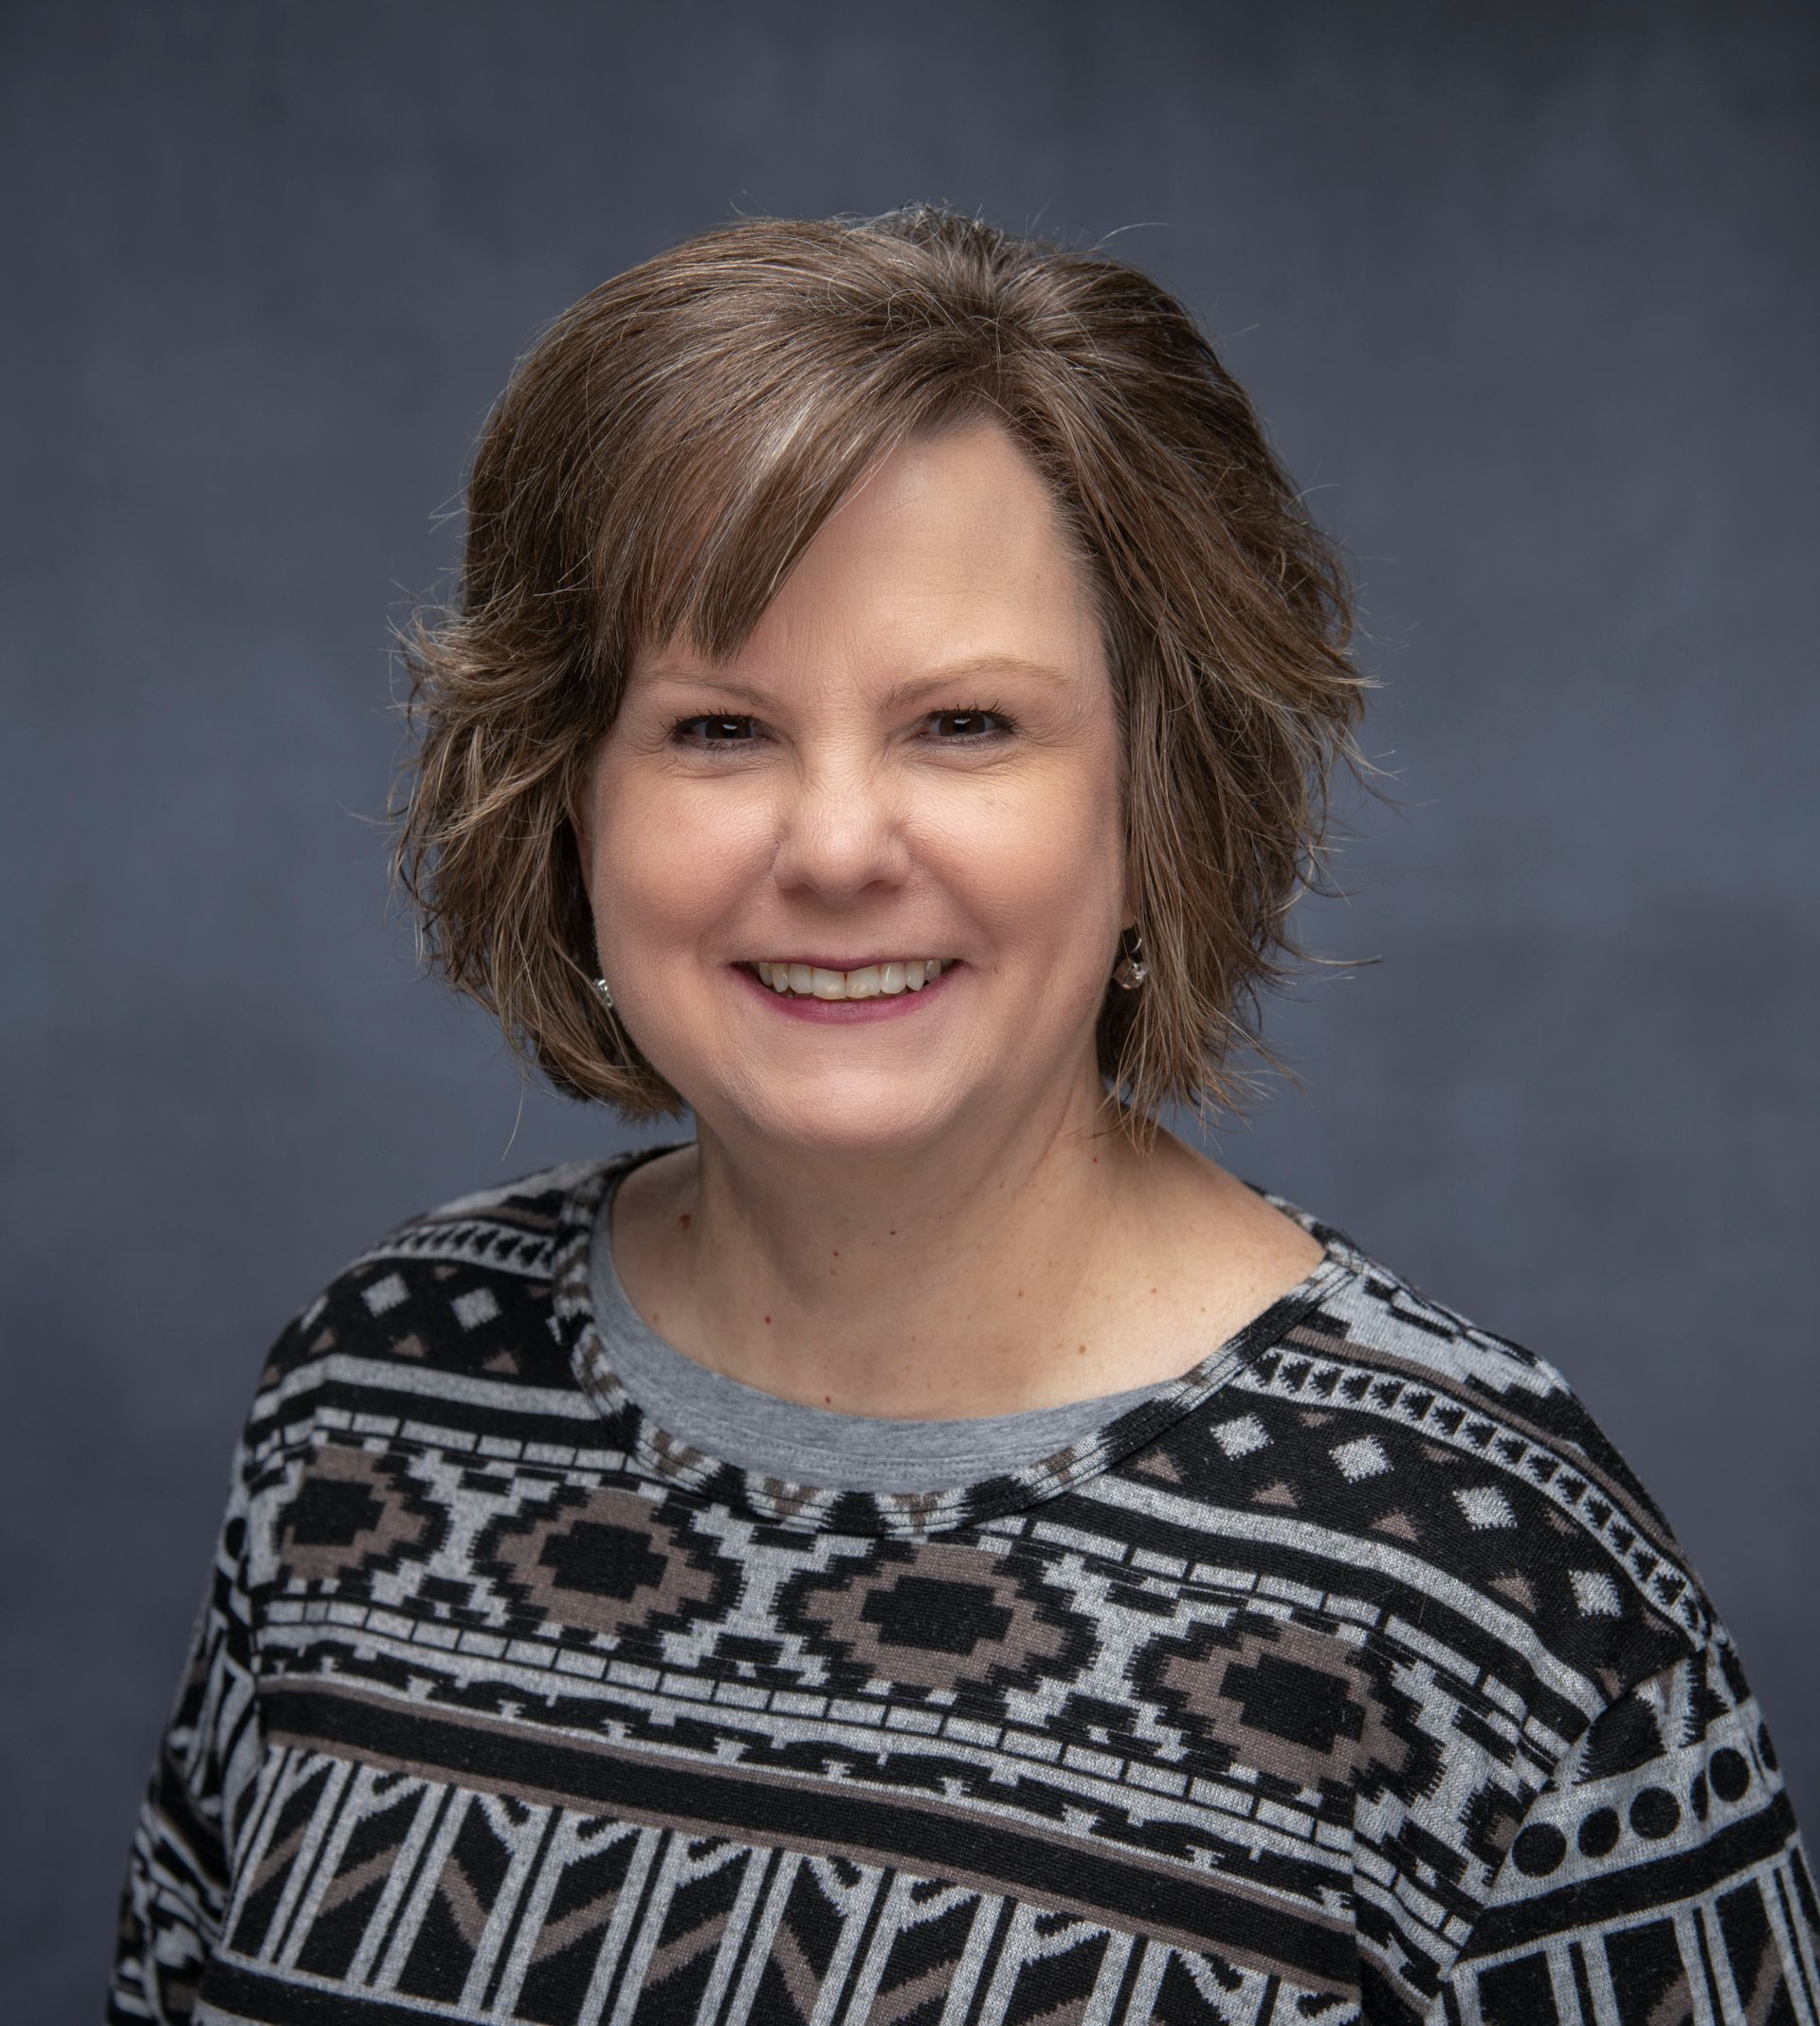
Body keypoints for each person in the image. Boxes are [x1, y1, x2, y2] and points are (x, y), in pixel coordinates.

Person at [108, 204, 1815, 2025]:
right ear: (565, 800)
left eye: (966, 725)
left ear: (1161, 800)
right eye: (717, 728)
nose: (838, 846)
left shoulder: (1490, 1585)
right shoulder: (370, 1398)